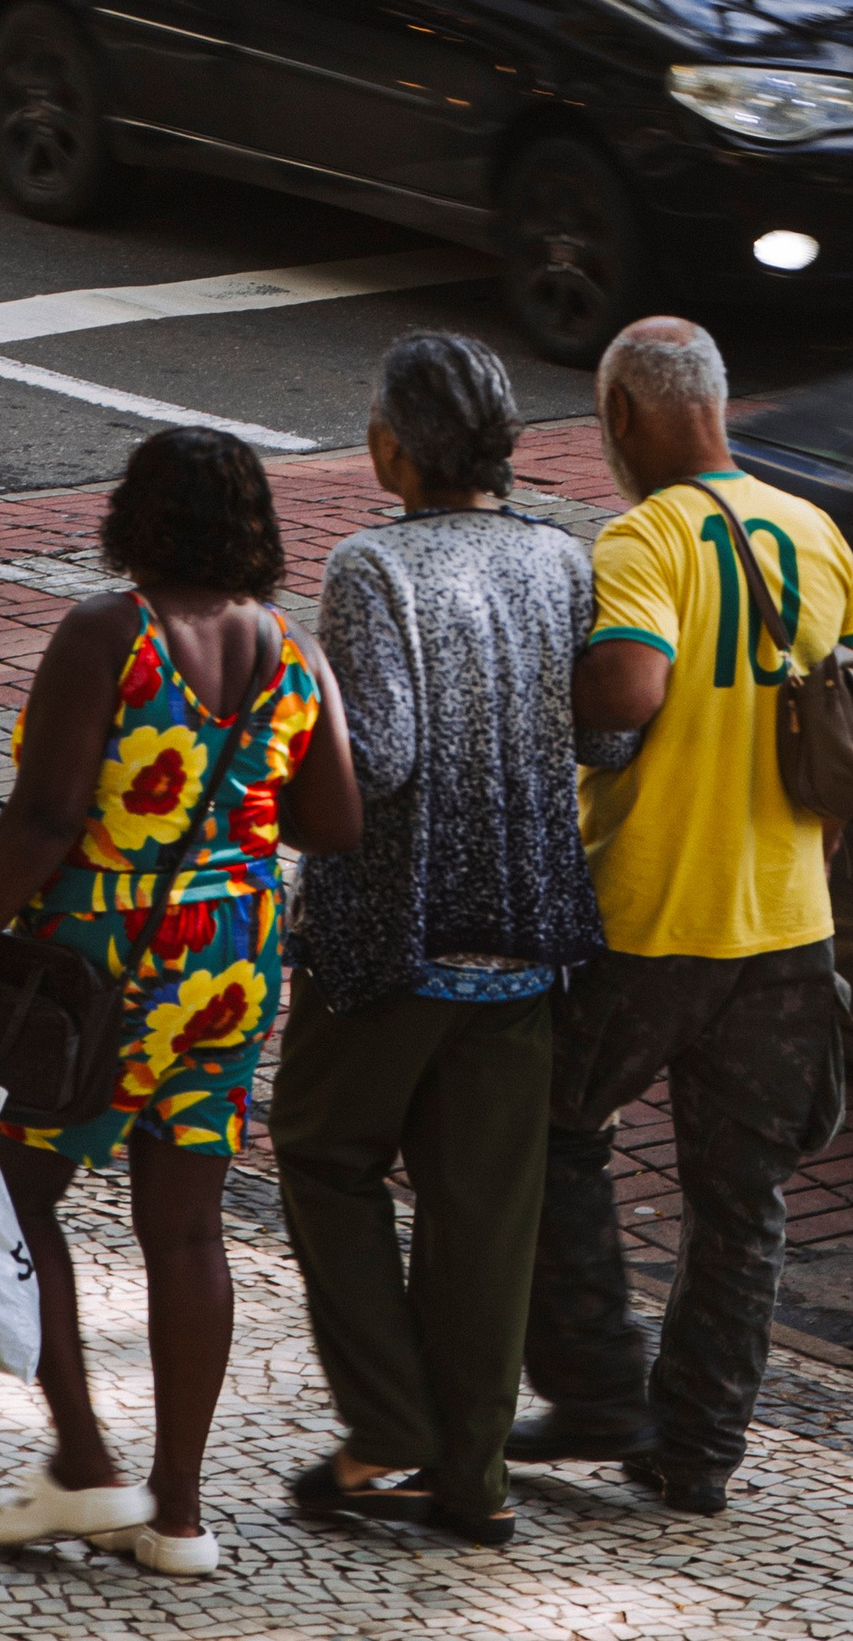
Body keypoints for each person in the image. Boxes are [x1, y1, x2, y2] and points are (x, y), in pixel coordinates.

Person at [0, 427, 360, 1576]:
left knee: (13, 1186)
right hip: (235, 955)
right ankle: (181, 1516)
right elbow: (336, 821)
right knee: (188, 1224)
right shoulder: (290, 651)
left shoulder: (111, 631)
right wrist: (237, 799)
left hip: (105, 956)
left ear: (135, 515)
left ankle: (90, 1462)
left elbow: (47, 816)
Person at [515, 316, 853, 1516]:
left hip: (650, 913)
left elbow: (627, 681)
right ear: (716, 405)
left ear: (620, 419)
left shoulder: (644, 535)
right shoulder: (818, 532)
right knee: (741, 1201)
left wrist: (524, 696)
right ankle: (697, 1450)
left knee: (553, 1120)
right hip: (786, 924)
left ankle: (598, 1378)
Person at [271, 333, 608, 1552]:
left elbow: (391, 754)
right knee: (483, 1212)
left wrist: (306, 679)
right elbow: (604, 741)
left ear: (395, 447)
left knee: (321, 1150)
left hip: (396, 930)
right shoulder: (560, 558)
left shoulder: (371, 566)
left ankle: (386, 1422)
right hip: (528, 933)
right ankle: (475, 1481)